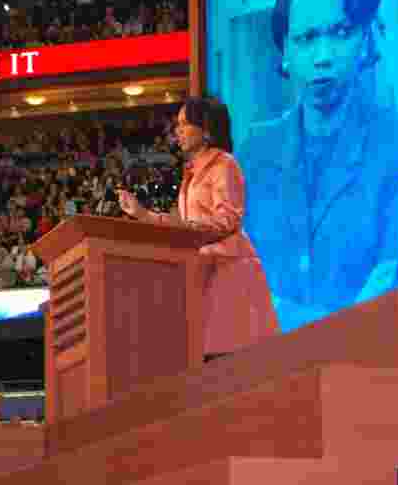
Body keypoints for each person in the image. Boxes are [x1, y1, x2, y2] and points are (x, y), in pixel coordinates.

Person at [237, 0, 398, 331]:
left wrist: (282, 316)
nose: (323, 56)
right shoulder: (254, 153)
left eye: (340, 32)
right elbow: (239, 294)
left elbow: (387, 302)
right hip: (264, 366)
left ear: (364, 41)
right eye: (306, 39)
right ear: (285, 53)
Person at [118, 98, 279, 362]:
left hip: (228, 276)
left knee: (233, 365)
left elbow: (227, 219)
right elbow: (185, 226)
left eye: (185, 124)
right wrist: (142, 214)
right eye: (177, 124)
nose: (177, 131)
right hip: (204, 275)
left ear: (206, 129)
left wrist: (189, 231)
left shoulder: (224, 164)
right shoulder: (191, 174)